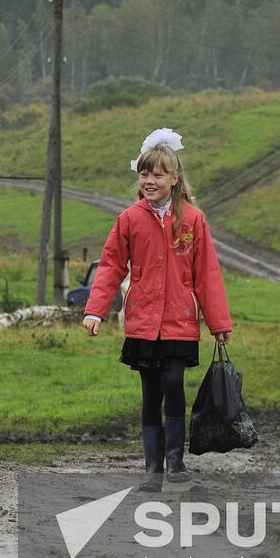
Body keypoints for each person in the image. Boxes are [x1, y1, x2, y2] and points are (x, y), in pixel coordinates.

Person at [82, 128, 232, 491]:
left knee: (172, 382)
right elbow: (111, 267)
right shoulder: (129, 220)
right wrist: (95, 310)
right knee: (151, 391)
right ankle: (153, 469)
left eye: (158, 174)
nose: (150, 181)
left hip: (179, 321)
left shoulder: (193, 220)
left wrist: (218, 322)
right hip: (143, 323)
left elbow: (206, 273)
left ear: (174, 178)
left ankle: (176, 463)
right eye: (144, 174)